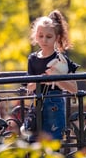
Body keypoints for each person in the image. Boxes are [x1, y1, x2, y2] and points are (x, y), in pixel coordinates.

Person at [25, 10, 79, 140]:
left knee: (54, 142)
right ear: (36, 37)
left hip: (55, 104)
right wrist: (42, 80)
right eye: (41, 36)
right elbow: (29, 87)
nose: (44, 40)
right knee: (33, 142)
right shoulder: (32, 59)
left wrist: (56, 78)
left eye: (49, 37)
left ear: (57, 38)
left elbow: (74, 88)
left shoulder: (61, 60)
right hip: (37, 104)